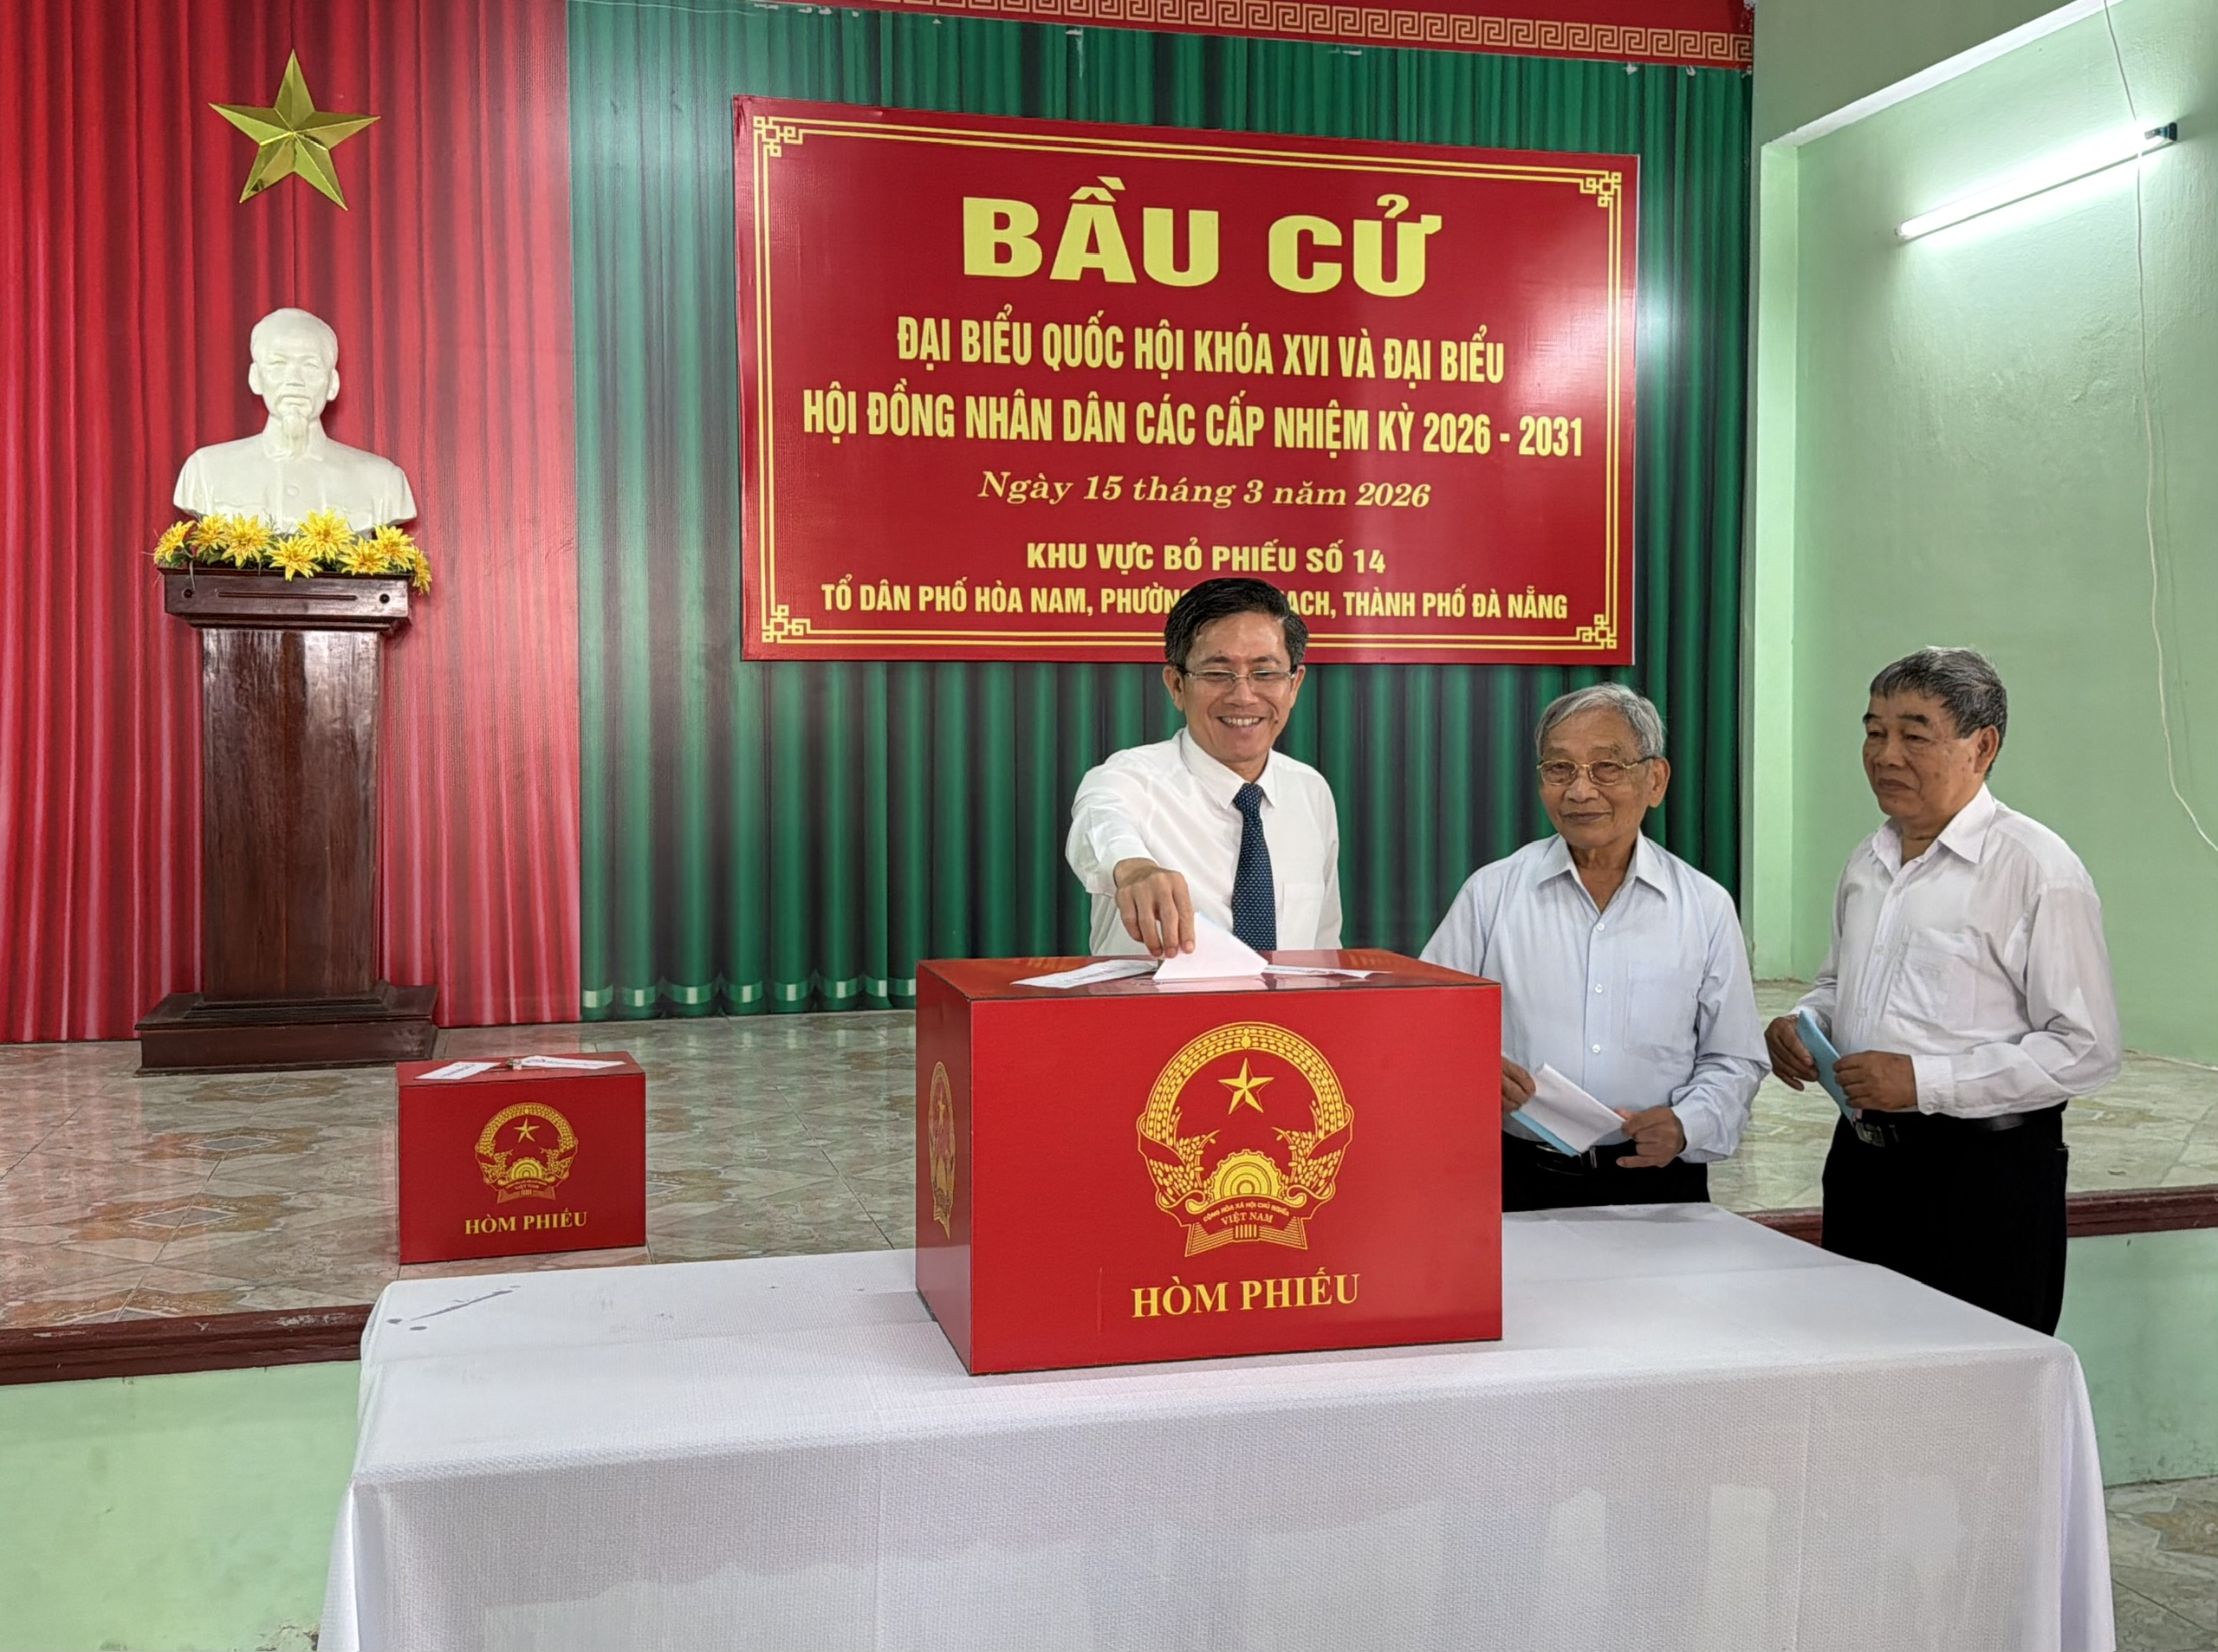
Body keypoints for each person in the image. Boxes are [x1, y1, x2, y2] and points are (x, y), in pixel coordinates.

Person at [1766, 648, 2119, 1333]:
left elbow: (2087, 1047)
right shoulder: (1868, 862)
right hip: (1864, 1163)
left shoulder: (2036, 869)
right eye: (1874, 732)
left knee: (1975, 1377)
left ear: (1982, 747)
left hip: (1983, 1178)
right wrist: (1804, 1023)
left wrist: (1924, 1082)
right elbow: (1840, 984)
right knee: (1857, 1364)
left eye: (1914, 735)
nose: (1885, 754)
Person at [1421, 684, 1766, 1210]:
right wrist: (1473, 1071)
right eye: (1560, 769)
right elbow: (1427, 1023)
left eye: (1607, 767)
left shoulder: (1705, 906)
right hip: (1516, 1176)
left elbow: (1734, 1056)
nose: (1580, 791)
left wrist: (1687, 1124)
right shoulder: (1492, 894)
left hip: (1657, 1181)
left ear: (1655, 780)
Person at [1067, 578, 1340, 958]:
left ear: (1294, 685)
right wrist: (1134, 869)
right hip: (1152, 1000)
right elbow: (1099, 825)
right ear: (1176, 685)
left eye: (1264, 674)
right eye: (1217, 674)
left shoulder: (1310, 791)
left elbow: (1324, 948)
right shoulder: (1128, 778)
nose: (1243, 696)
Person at [174, 307, 417, 530]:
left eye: (310, 366)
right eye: (278, 364)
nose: (294, 380)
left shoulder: (382, 482)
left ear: (332, 383)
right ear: (255, 378)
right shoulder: (206, 471)